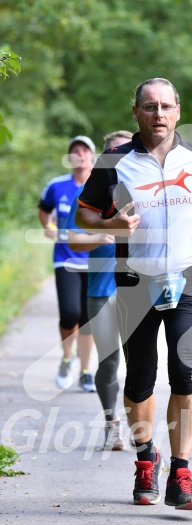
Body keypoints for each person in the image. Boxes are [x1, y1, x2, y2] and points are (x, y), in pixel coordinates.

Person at [75, 77, 192, 510]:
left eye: (165, 106)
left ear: (178, 110)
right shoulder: (114, 162)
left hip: (187, 278)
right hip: (134, 283)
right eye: (149, 106)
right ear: (135, 112)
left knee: (185, 373)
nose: (158, 114)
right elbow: (83, 215)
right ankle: (147, 459)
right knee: (140, 380)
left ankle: (181, 472)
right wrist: (110, 226)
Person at [67, 130, 133, 450]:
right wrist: (104, 234)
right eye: (112, 151)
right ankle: (112, 422)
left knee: (141, 361)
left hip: (139, 290)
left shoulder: (143, 191)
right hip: (102, 289)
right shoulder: (89, 195)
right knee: (109, 361)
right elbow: (72, 240)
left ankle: (140, 424)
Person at [38, 135, 97, 393]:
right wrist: (48, 227)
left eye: (85, 150)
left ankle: (85, 371)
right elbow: (43, 210)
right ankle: (66, 357)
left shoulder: (102, 186)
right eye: (75, 150)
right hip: (65, 259)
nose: (80, 154)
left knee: (87, 320)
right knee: (70, 313)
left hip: (94, 261)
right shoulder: (56, 186)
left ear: (92, 157)